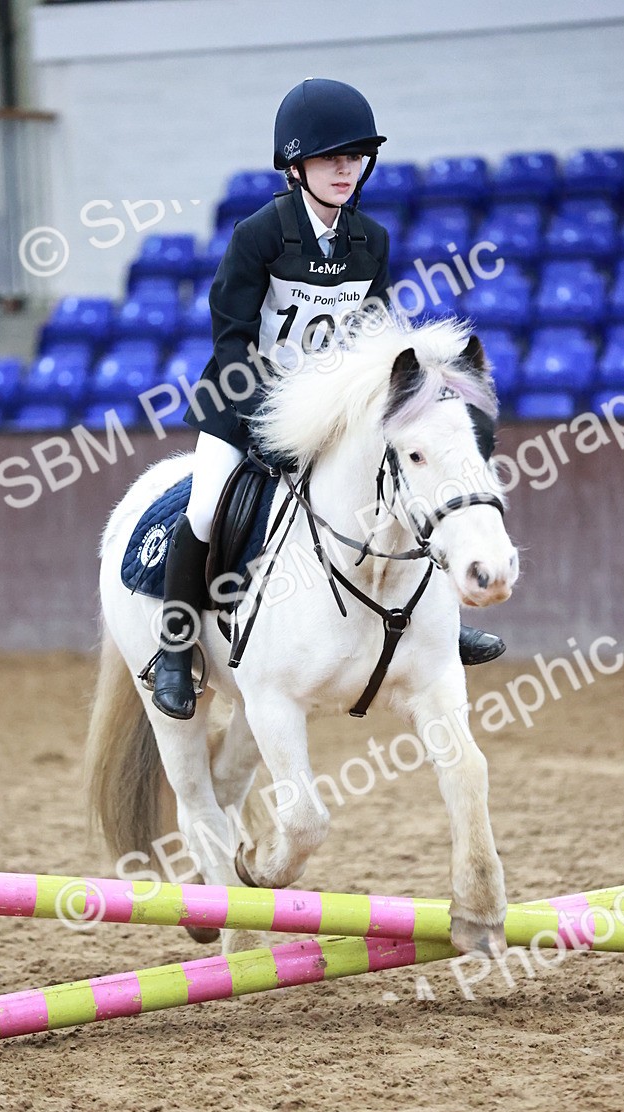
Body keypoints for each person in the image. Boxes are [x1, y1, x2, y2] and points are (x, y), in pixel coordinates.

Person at [150, 78, 505, 721]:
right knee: (204, 510)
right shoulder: (258, 235)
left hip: (335, 415)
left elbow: (374, 337)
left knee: (402, 490)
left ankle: (440, 626)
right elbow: (231, 341)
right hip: (244, 405)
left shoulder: (370, 240)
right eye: (329, 157)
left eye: (355, 156)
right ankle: (176, 652)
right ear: (296, 165)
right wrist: (268, 418)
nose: (345, 168)